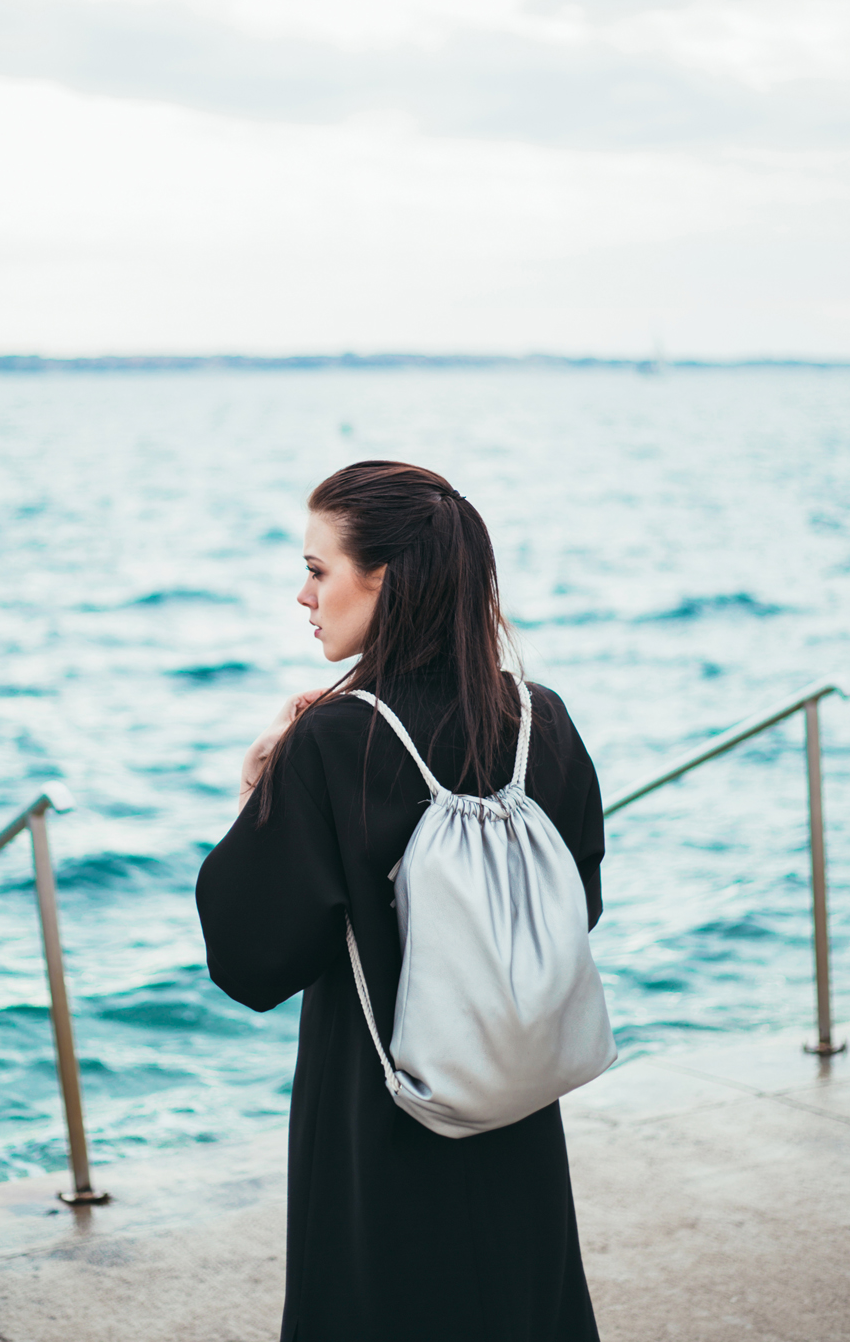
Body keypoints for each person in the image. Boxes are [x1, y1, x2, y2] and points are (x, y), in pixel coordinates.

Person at [196, 460, 605, 1342]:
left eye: (317, 569)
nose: (302, 596)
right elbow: (583, 904)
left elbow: (249, 958)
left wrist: (255, 783)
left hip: (377, 1117)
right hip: (515, 1103)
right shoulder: (542, 720)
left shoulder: (338, 741)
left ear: (383, 579)